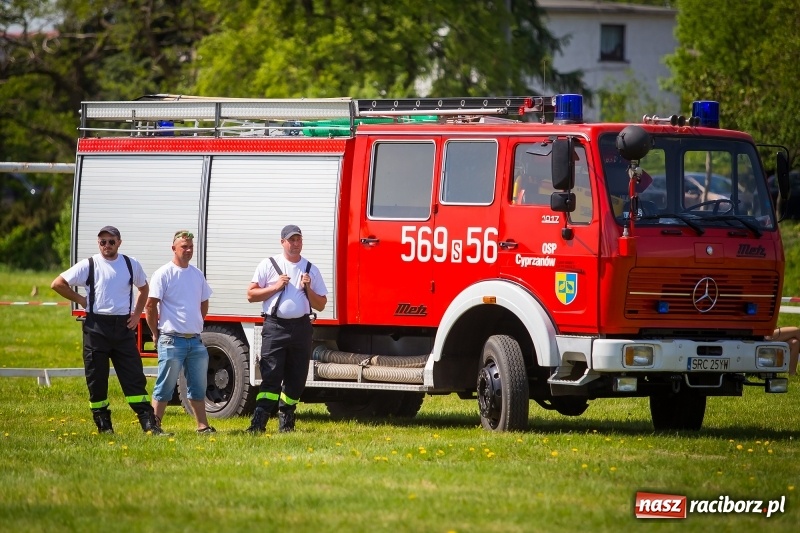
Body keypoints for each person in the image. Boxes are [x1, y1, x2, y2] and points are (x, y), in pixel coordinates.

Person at [50, 226, 162, 434]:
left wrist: (137, 314)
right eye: (103, 242)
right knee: (96, 379)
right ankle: (104, 425)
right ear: (98, 243)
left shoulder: (130, 264)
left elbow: (144, 288)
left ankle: (149, 423)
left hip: (123, 328)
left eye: (111, 241)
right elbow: (57, 284)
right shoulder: (89, 264)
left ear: (119, 242)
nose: (107, 245)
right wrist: (81, 300)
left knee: (134, 376)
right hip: (96, 328)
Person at [245, 224, 328, 433]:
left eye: (298, 239)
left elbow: (321, 305)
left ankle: (287, 423)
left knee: (297, 377)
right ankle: (258, 423)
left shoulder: (310, 268)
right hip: (275, 327)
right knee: (271, 376)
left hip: (301, 328)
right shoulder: (269, 264)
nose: (295, 243)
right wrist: (275, 287)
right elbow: (251, 295)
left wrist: (308, 288)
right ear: (282, 242)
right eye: (291, 240)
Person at [146, 230, 215, 434]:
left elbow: (204, 301)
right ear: (173, 248)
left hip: (195, 341)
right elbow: (150, 306)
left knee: (198, 386)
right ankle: (154, 426)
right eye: (184, 246)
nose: (188, 250)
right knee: (165, 386)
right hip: (171, 339)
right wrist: (155, 332)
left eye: (191, 246)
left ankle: (203, 426)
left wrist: (197, 323)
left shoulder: (196, 274)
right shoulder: (163, 273)